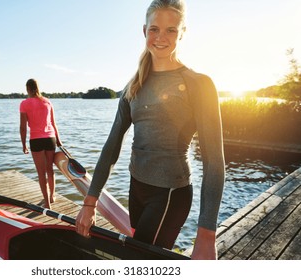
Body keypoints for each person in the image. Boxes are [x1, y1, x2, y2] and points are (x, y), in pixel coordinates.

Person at [75, 0, 225, 260]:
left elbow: (214, 161)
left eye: (171, 30)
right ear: (144, 31)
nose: (161, 37)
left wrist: (206, 235)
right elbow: (112, 146)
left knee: (137, 260)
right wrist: (90, 202)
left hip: (170, 194)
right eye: (154, 29)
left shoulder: (199, 84)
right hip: (137, 189)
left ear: (183, 33)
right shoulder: (133, 85)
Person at [20, 78, 62, 209]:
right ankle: (52, 196)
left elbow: (23, 127)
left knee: (41, 172)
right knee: (50, 169)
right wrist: (59, 139)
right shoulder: (47, 102)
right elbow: (53, 124)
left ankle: (47, 203)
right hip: (50, 138)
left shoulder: (24, 104)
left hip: (36, 140)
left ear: (27, 89)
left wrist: (23, 144)